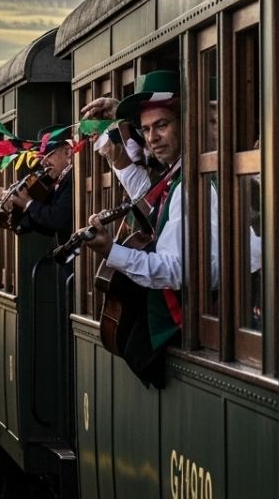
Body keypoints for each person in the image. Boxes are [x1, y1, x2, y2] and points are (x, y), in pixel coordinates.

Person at [80, 70, 185, 386]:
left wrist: (111, 251)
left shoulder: (190, 183)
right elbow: (149, 198)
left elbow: (174, 271)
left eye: (161, 125)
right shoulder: (175, 175)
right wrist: (120, 155)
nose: (151, 137)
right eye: (146, 129)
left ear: (185, 122)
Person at [6, 124, 74, 244]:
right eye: (41, 157)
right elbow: (50, 228)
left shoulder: (71, 177)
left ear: (68, 151)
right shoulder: (58, 179)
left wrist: (28, 203)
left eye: (48, 154)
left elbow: (57, 219)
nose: (43, 162)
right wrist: (20, 219)